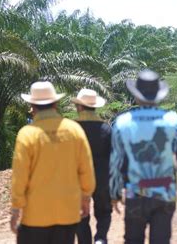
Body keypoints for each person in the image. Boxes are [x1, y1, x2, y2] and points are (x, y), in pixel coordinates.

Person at [109, 70, 177, 244]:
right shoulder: (172, 120)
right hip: (165, 193)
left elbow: (115, 162)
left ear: (136, 96)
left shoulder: (122, 122)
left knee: (133, 240)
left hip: (135, 193)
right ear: (158, 97)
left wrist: (115, 193)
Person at [10, 81, 96, 244]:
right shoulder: (74, 130)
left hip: (35, 216)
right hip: (67, 213)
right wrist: (85, 198)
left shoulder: (27, 134)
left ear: (32, 106)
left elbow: (19, 176)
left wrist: (16, 208)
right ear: (55, 104)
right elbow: (86, 169)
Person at [72, 88, 112, 244]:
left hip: (78, 180)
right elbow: (113, 157)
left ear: (80, 107)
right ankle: (100, 238)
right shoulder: (106, 129)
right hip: (102, 178)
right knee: (104, 212)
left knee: (81, 214)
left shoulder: (72, 129)